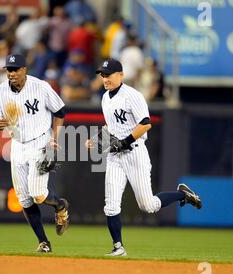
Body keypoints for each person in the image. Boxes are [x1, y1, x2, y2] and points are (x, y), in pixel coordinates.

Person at [85, 59, 202, 256]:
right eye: (103, 75)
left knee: (148, 205)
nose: (105, 78)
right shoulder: (105, 98)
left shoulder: (133, 96)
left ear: (121, 75)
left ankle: (183, 194)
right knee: (111, 204)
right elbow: (110, 127)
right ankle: (118, 247)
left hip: (135, 153)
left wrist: (124, 142)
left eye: (109, 74)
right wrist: (98, 139)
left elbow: (145, 124)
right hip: (115, 157)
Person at [0, 53, 69, 253]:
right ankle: (44, 242)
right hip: (17, 145)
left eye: (15, 69)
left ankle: (60, 205)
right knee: (24, 199)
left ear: (25, 69)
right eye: (9, 69)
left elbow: (60, 112)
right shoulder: (0, 91)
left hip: (40, 141)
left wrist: (54, 139)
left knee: (39, 195)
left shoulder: (40, 86)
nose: (12, 73)